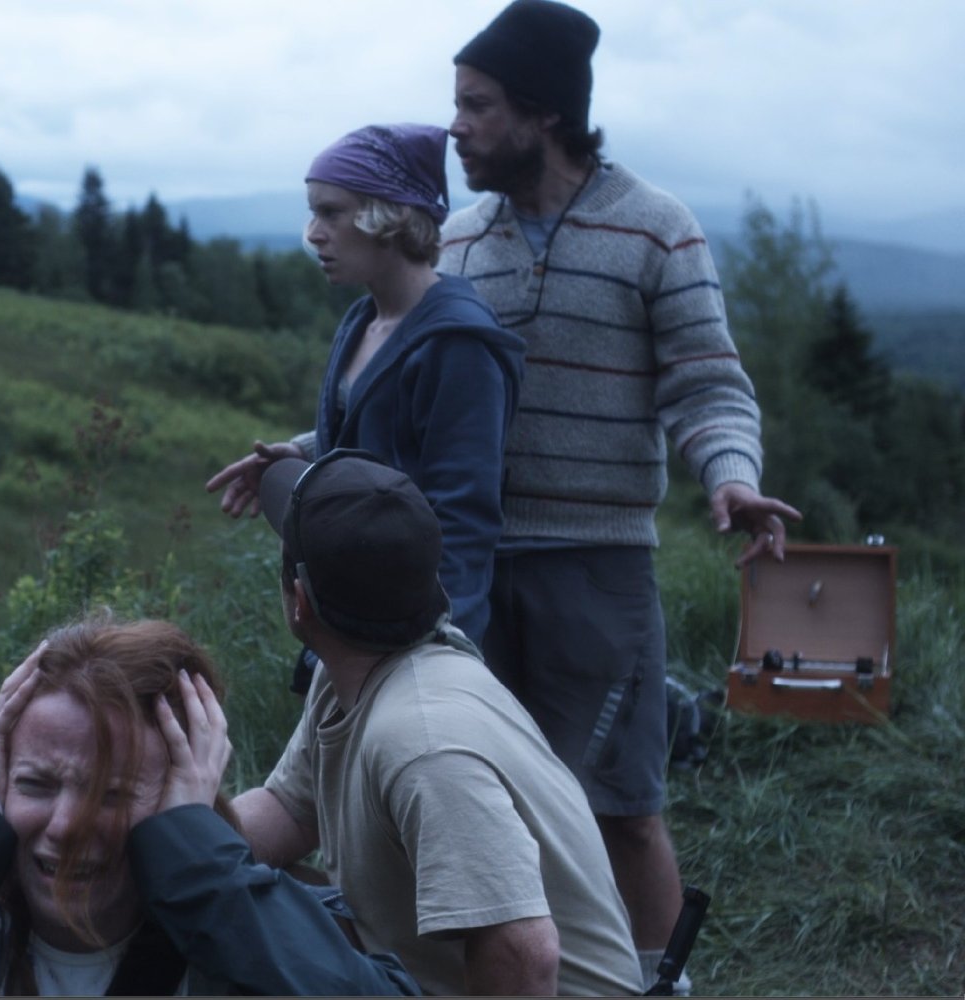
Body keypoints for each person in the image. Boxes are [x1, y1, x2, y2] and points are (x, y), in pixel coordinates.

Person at [439, 1, 802, 987]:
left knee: (621, 804)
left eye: (478, 105)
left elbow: (708, 384)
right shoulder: (457, 242)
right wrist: (314, 448)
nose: (456, 127)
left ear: (545, 112)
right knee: (491, 799)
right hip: (469, 568)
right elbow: (418, 389)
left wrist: (733, 478)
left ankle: (660, 983)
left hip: (598, 566)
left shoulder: (656, 228)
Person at [0, 615, 421, 996]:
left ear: (184, 796)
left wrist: (205, 872)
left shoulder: (253, 940)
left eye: (112, 794)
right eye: (35, 784)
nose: (66, 825)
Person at [232, 450, 642, 996]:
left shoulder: (423, 745)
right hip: (430, 972)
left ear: (301, 601)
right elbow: (288, 810)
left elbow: (524, 954)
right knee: (232, 900)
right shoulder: (352, 672)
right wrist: (167, 836)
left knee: (239, 934)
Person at [206, 124, 523, 647]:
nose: (314, 233)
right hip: (346, 624)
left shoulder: (458, 344)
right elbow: (384, 436)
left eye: (331, 213)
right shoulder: (363, 321)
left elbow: (463, 519)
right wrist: (308, 451)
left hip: (410, 638)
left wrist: (439, 648)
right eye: (313, 213)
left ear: (389, 215)